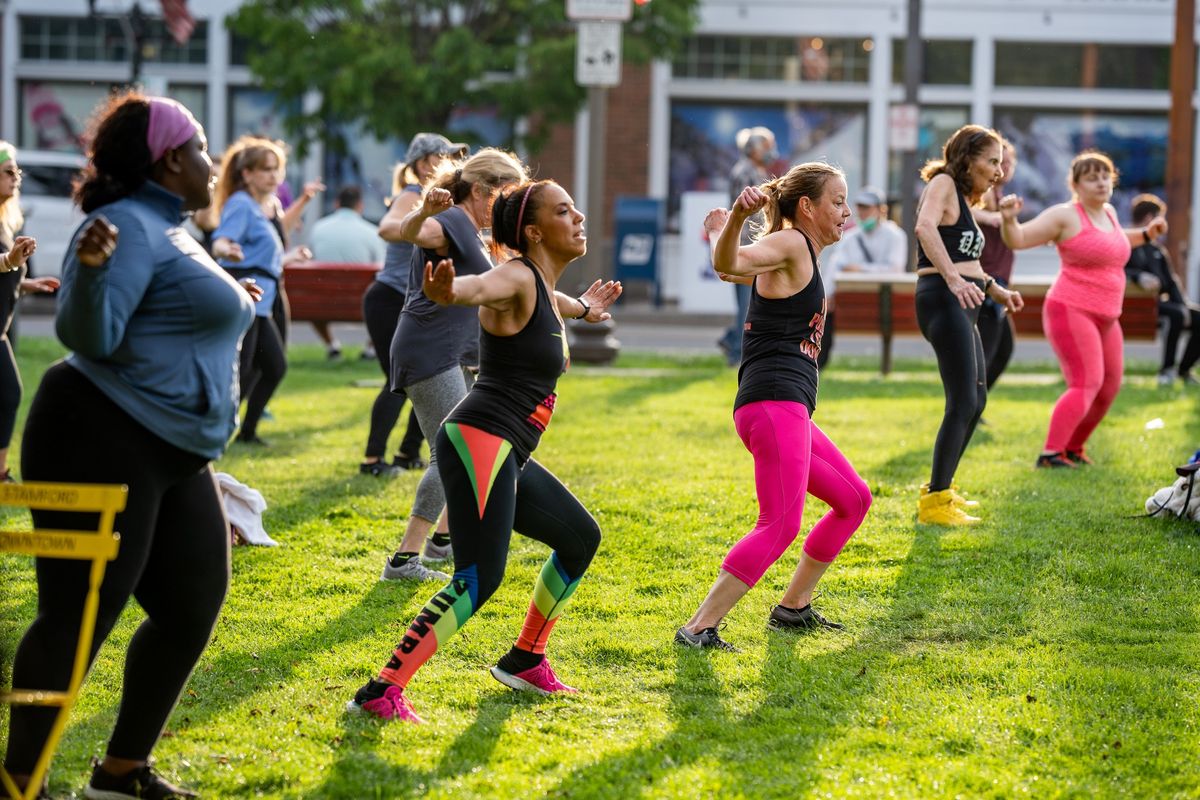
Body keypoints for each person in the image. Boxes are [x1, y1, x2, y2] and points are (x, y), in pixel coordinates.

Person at [2, 93, 256, 800]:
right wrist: (88, 274)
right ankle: (16, 781)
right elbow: (89, 336)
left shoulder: (167, 225)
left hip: (173, 448)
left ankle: (121, 773)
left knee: (191, 602)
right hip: (98, 435)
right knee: (79, 615)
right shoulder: (119, 225)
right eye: (203, 146)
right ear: (171, 158)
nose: (213, 161)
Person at [347, 179, 621, 722]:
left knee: (579, 538)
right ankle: (382, 689)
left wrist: (587, 309)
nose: (579, 217)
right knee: (477, 577)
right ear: (536, 231)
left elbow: (564, 304)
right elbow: (479, 289)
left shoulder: (542, 287)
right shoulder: (516, 278)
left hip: (506, 449)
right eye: (565, 211)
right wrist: (449, 293)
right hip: (480, 439)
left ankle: (525, 659)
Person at [674, 162, 873, 652]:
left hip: (788, 408)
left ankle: (793, 607)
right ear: (807, 206)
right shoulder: (791, 244)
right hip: (773, 402)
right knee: (780, 523)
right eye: (838, 201)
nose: (846, 212)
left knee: (853, 500)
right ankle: (699, 627)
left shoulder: (797, 252)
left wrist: (722, 226)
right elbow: (731, 265)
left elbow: (727, 260)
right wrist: (735, 224)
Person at [380, 148, 528, 581]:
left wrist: (575, 308)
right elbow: (407, 231)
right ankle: (404, 561)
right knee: (451, 454)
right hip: (429, 350)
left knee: (472, 445)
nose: (505, 211)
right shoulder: (448, 222)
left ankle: (443, 541)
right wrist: (422, 209)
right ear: (481, 191)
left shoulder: (470, 231)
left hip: (453, 352)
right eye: (504, 199)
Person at [1001, 151, 1166, 467]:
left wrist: (1145, 235)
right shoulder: (1064, 215)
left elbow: (1113, 241)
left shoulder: (1109, 213)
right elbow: (1018, 240)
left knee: (1109, 387)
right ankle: (1050, 453)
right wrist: (1009, 220)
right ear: (1075, 184)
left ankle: (1073, 447)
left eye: (1105, 176)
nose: (1101, 182)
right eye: (1092, 177)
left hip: (1108, 315)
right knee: (1086, 383)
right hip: (1071, 308)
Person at [914, 124, 1023, 525]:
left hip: (967, 300)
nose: (998, 170)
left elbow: (970, 261)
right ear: (968, 157)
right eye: (992, 161)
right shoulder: (942, 182)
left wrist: (995, 289)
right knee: (962, 401)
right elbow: (925, 228)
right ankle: (935, 503)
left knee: (976, 402)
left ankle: (941, 489)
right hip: (943, 299)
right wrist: (955, 280)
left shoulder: (962, 198)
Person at [364, 134, 468, 478]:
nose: (455, 163)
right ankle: (372, 461)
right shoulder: (411, 195)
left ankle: (409, 452)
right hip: (390, 298)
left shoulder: (448, 204)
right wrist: (419, 222)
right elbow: (387, 227)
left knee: (431, 375)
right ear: (424, 163)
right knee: (400, 382)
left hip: (412, 301)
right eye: (446, 156)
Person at [212, 137, 290, 445]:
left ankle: (246, 432)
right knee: (244, 371)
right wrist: (225, 250)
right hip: (247, 296)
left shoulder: (263, 207)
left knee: (271, 367)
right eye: (265, 170)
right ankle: (219, 431)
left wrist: (287, 259)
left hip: (264, 301)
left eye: (276, 169)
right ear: (247, 174)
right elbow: (220, 239)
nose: (273, 176)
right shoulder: (241, 204)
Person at [0, 142, 60, 483]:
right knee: (9, 393)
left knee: (8, 394)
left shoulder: (5, 224)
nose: (16, 178)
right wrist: (9, 261)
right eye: (8, 172)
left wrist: (26, 284)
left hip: (0, 330)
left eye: (17, 172)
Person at [819, 186, 907, 369]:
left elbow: (895, 270)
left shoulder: (895, 236)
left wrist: (859, 269)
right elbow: (836, 267)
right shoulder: (849, 237)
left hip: (881, 304)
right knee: (827, 309)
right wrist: (827, 297)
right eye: (860, 207)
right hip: (855, 305)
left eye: (867, 207)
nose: (863, 212)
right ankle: (819, 362)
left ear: (881, 209)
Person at [1122, 193, 1199, 386]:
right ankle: (1166, 371)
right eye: (1160, 218)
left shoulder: (1156, 250)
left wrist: (1183, 305)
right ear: (1150, 218)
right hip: (1132, 307)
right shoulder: (1123, 242)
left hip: (1158, 305)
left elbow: (1171, 282)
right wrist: (1137, 276)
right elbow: (1112, 270)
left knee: (1192, 315)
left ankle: (1184, 370)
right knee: (1176, 315)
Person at [717, 126, 777, 366]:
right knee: (747, 305)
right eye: (766, 147)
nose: (771, 152)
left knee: (751, 301)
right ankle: (736, 354)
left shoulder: (752, 170)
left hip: (749, 246)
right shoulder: (745, 173)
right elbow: (748, 214)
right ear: (753, 149)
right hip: (746, 246)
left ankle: (730, 340)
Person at [972, 141, 1019, 391]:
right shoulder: (985, 194)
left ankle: (975, 405)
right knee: (988, 351)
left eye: (1009, 162)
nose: (1005, 167)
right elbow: (966, 209)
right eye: (999, 161)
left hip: (998, 281)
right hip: (986, 282)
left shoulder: (1000, 197)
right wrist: (994, 217)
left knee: (1002, 349)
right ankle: (970, 408)